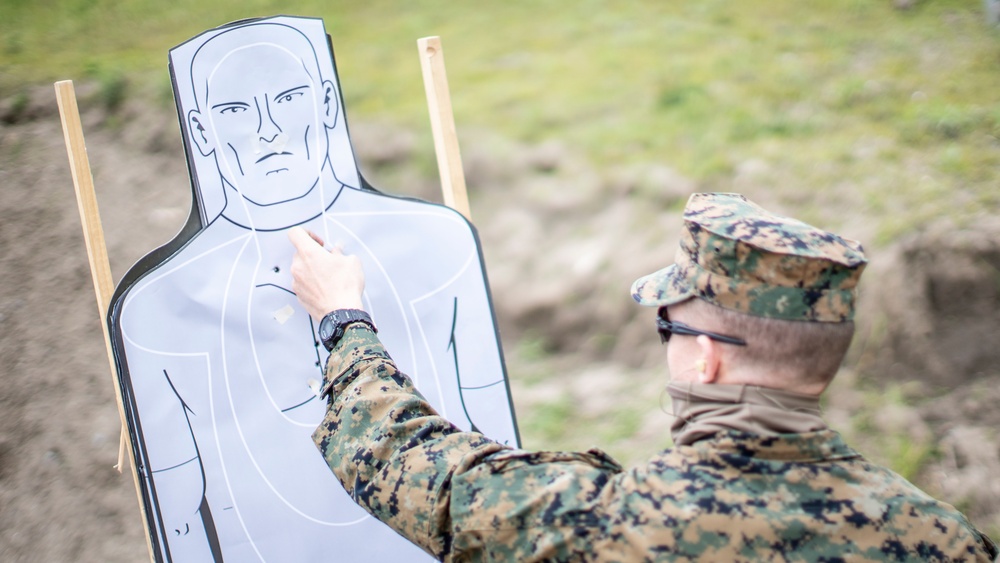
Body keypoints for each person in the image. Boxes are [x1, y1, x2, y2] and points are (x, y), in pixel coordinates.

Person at [290, 192, 998, 561]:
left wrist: (343, 321)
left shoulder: (624, 526)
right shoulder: (944, 535)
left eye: (670, 326)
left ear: (706, 357)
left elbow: (412, 469)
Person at [115, 16, 516, 562]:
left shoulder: (440, 245)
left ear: (326, 101)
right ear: (202, 130)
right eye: (234, 111)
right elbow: (180, 519)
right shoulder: (156, 308)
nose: (267, 130)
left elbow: (504, 466)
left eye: (288, 97)